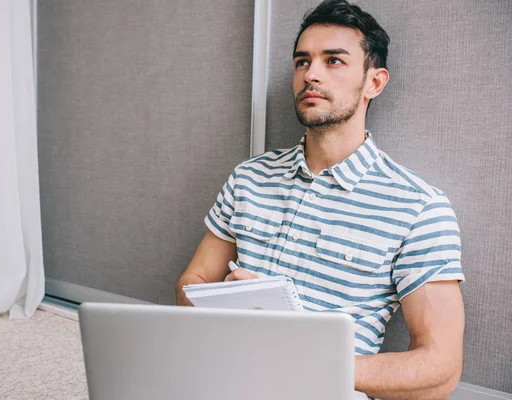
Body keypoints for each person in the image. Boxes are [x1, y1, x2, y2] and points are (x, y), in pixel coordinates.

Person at [175, 0, 465, 398]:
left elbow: (440, 368)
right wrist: (226, 313)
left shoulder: (419, 208)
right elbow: (192, 283)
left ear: (374, 83)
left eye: (333, 61)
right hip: (220, 380)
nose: (310, 74)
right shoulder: (249, 178)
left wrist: (306, 354)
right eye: (302, 62)